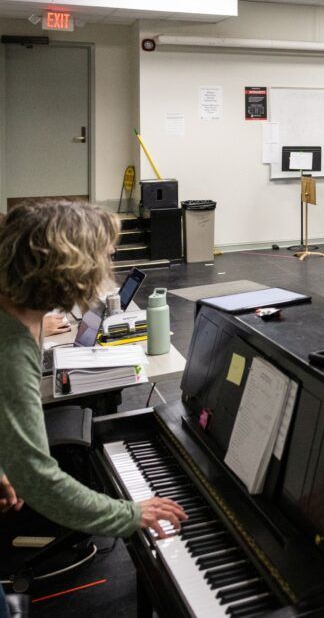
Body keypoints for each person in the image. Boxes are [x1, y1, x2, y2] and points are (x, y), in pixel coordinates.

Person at [0, 202, 187, 579]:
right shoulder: (12, 346)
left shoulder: (14, 310)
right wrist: (131, 514)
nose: (107, 263)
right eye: (102, 256)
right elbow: (38, 481)